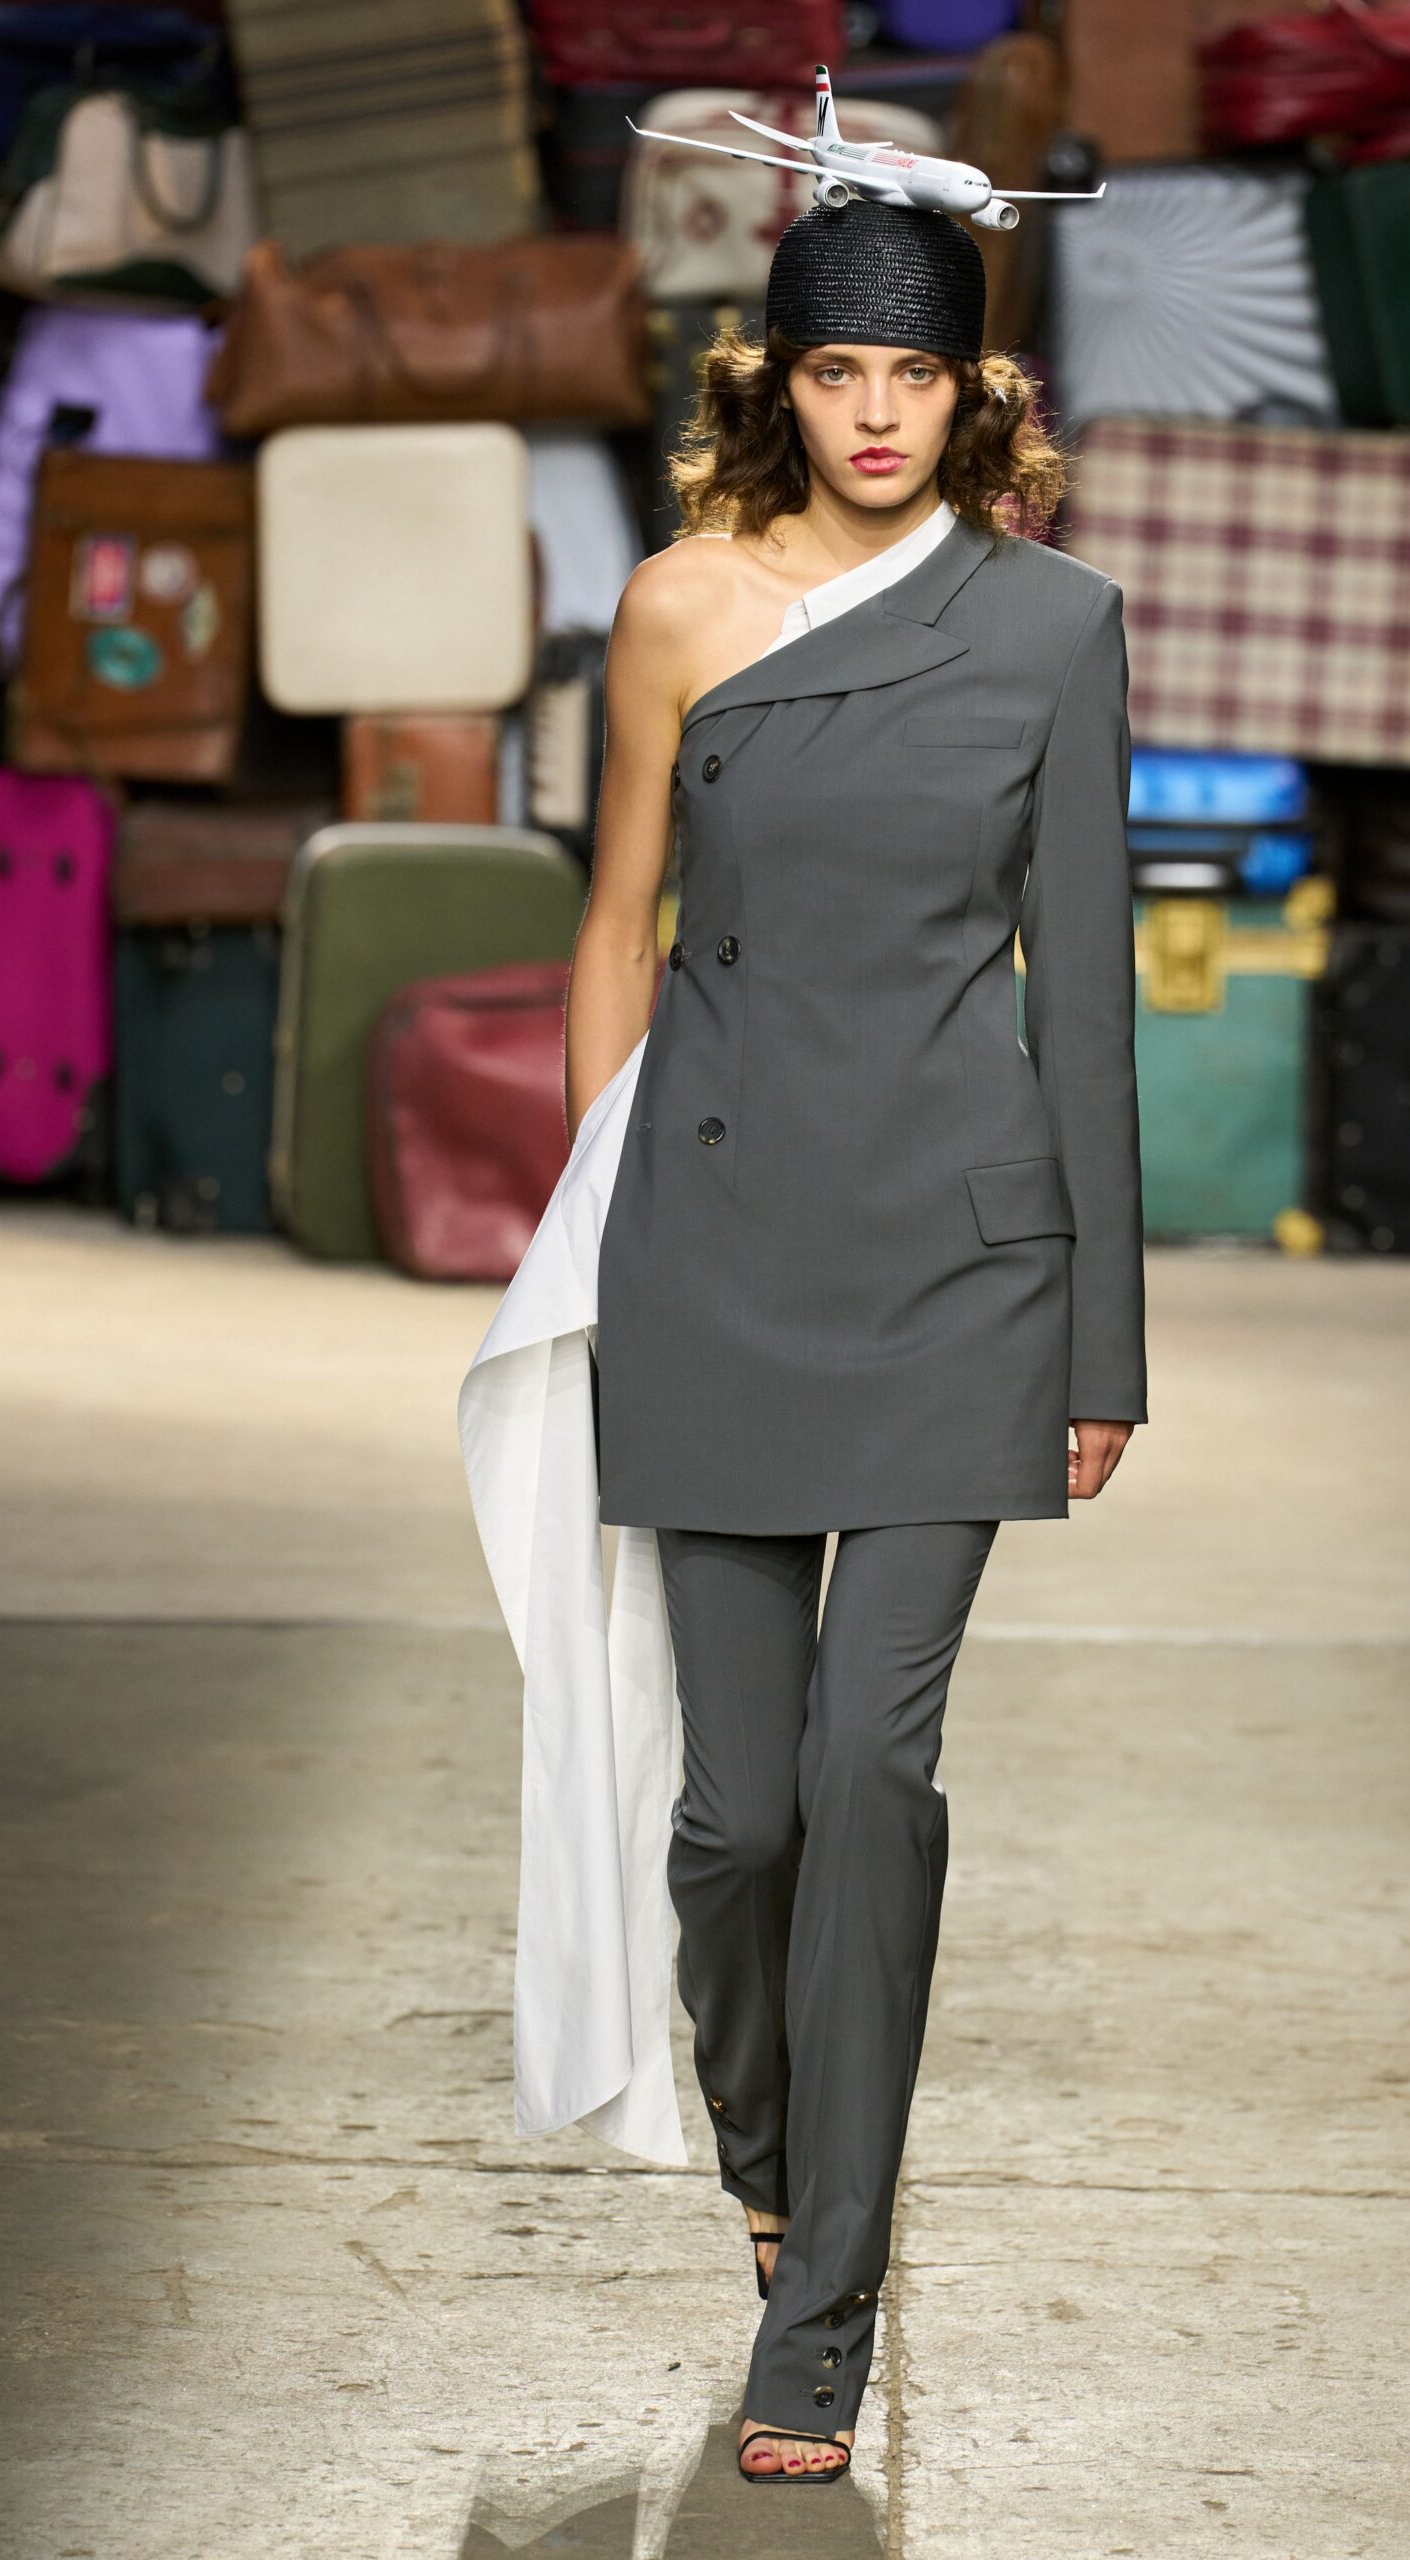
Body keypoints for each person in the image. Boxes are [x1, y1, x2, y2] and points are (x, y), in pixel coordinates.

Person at [513, 197, 1144, 2487]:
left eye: (914, 377)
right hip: (709, 1244)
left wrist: (1101, 1337)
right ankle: (763, 2132)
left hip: (958, 1262)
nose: (875, 416)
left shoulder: (1052, 626)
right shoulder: (676, 609)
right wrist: (588, 1234)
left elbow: (1080, 986)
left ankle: (823, 2310)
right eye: (834, 373)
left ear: (971, 392)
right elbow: (615, 925)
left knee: (871, 1772)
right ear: (771, 381)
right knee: (735, 1812)